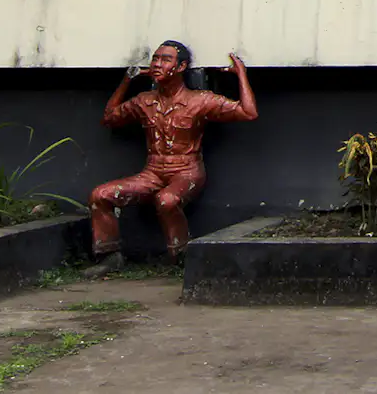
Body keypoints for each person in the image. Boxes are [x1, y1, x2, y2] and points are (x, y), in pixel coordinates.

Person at [85, 42, 257, 276]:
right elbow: (109, 118)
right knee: (100, 195)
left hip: (187, 171)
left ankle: (181, 256)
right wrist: (128, 80)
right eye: (155, 59)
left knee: (166, 200)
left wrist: (241, 76)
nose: (157, 64)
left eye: (165, 59)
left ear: (181, 66)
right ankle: (109, 256)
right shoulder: (144, 101)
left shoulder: (199, 100)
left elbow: (248, 112)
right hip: (152, 172)